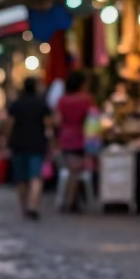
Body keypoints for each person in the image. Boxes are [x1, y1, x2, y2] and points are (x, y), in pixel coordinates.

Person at [5, 77, 52, 220]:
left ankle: (25, 206)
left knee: (21, 178)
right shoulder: (41, 104)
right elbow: (49, 125)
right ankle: (34, 206)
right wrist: (51, 141)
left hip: (18, 144)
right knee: (35, 176)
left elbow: (9, 124)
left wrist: (6, 140)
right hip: (37, 144)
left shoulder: (16, 104)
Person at [54, 70, 96, 213]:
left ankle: (73, 200)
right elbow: (93, 119)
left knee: (73, 170)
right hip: (80, 138)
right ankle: (70, 202)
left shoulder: (62, 100)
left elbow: (57, 120)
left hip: (65, 138)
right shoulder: (86, 99)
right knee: (75, 171)